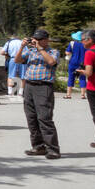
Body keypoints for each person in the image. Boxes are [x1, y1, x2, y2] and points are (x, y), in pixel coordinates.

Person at [20, 28, 61, 158]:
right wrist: (22, 47)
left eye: (38, 40)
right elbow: (17, 60)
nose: (35, 42)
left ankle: (53, 149)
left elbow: (51, 62)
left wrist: (40, 49)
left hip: (43, 86)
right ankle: (38, 146)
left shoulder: (53, 52)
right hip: (29, 85)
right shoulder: (30, 51)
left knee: (44, 118)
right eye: (34, 39)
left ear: (46, 40)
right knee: (31, 117)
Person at [65, 31, 87, 100]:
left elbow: (67, 52)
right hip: (82, 63)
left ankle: (68, 94)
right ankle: (83, 95)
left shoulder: (72, 43)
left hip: (73, 62)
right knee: (82, 78)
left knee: (71, 78)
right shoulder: (85, 44)